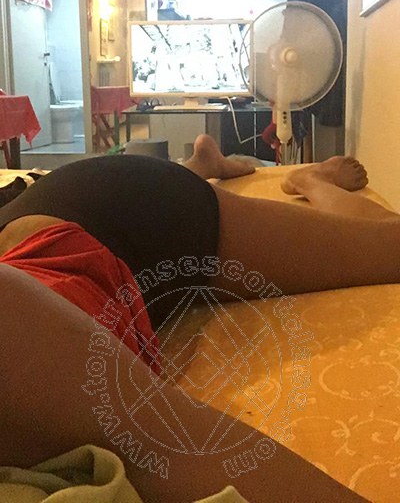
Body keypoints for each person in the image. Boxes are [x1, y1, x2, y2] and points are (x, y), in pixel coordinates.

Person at [0, 133, 394, 502]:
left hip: (115, 209)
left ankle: (310, 181)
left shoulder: (22, 352)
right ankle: (201, 163)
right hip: (44, 222)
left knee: (388, 247)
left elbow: (180, 448)